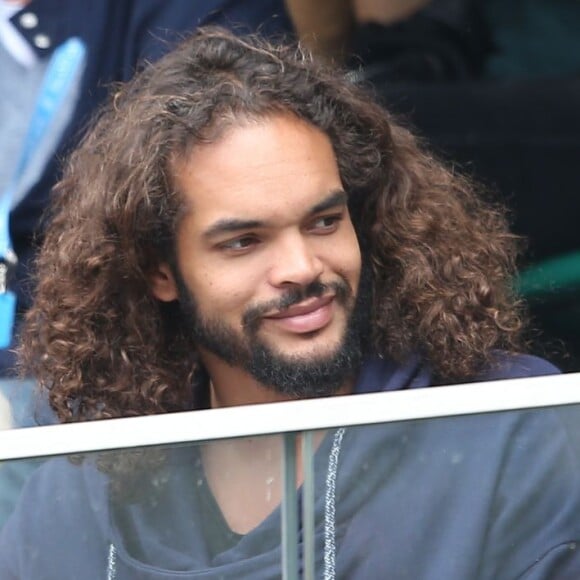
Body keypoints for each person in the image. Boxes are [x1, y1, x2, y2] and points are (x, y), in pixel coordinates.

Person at [1, 26, 580, 579]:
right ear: (160, 272)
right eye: (244, 242)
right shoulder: (83, 489)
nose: (302, 268)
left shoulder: (509, 432)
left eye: (324, 221)